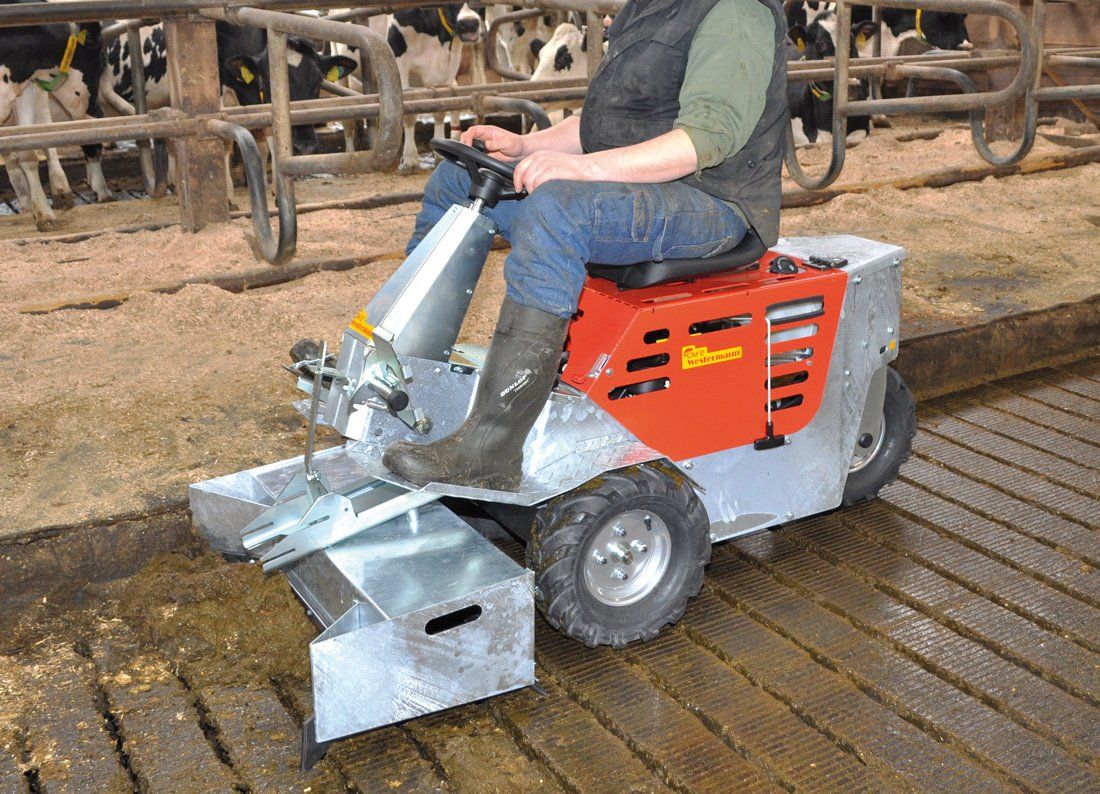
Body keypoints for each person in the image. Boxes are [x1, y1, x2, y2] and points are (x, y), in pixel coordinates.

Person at [383, 0, 788, 491]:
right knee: (458, 179)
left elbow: (706, 138)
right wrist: (529, 146)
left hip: (712, 200)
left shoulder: (735, 10)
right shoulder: (651, 7)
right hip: (650, 183)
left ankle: (490, 452)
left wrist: (583, 169)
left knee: (556, 211)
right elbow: (611, 121)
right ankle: (402, 378)